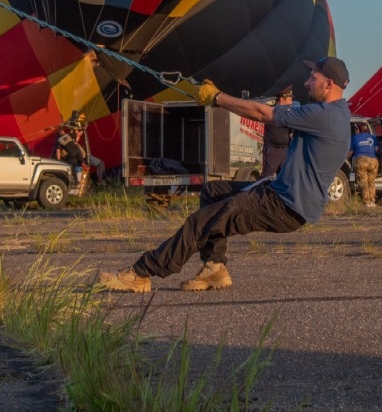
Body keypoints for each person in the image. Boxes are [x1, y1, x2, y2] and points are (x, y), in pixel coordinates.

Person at [99, 56, 352, 293]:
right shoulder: (336, 114)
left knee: (200, 222)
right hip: (282, 195)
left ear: (328, 84)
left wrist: (217, 98)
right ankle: (214, 267)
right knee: (213, 192)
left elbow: (264, 114)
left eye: (313, 78)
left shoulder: (323, 115)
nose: (307, 83)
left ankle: (140, 273)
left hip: (284, 205)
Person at [261, 85, 294, 177]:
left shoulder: (288, 113)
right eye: (289, 99)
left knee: (284, 177)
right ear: (282, 100)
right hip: (273, 150)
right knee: (267, 177)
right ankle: (259, 190)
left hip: (285, 150)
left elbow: (291, 132)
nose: (291, 103)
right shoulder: (272, 111)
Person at [349, 122, 379, 207]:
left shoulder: (354, 138)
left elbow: (350, 152)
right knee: (371, 181)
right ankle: (372, 202)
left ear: (356, 130)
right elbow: (376, 149)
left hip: (361, 160)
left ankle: (366, 202)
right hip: (373, 160)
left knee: (363, 182)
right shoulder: (373, 137)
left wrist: (346, 159)